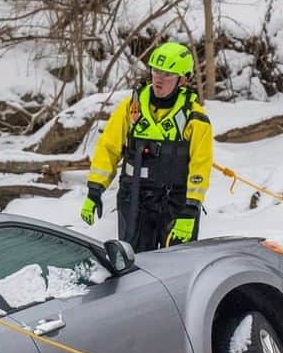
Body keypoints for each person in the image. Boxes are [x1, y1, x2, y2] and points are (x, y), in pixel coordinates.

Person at [80, 41, 213, 252]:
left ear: (183, 80)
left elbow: (201, 164)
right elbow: (108, 148)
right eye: (156, 71)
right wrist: (95, 189)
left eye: (168, 74)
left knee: (175, 266)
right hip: (134, 199)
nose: (159, 78)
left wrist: (191, 209)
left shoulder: (195, 117)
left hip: (176, 203)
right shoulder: (131, 107)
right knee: (135, 264)